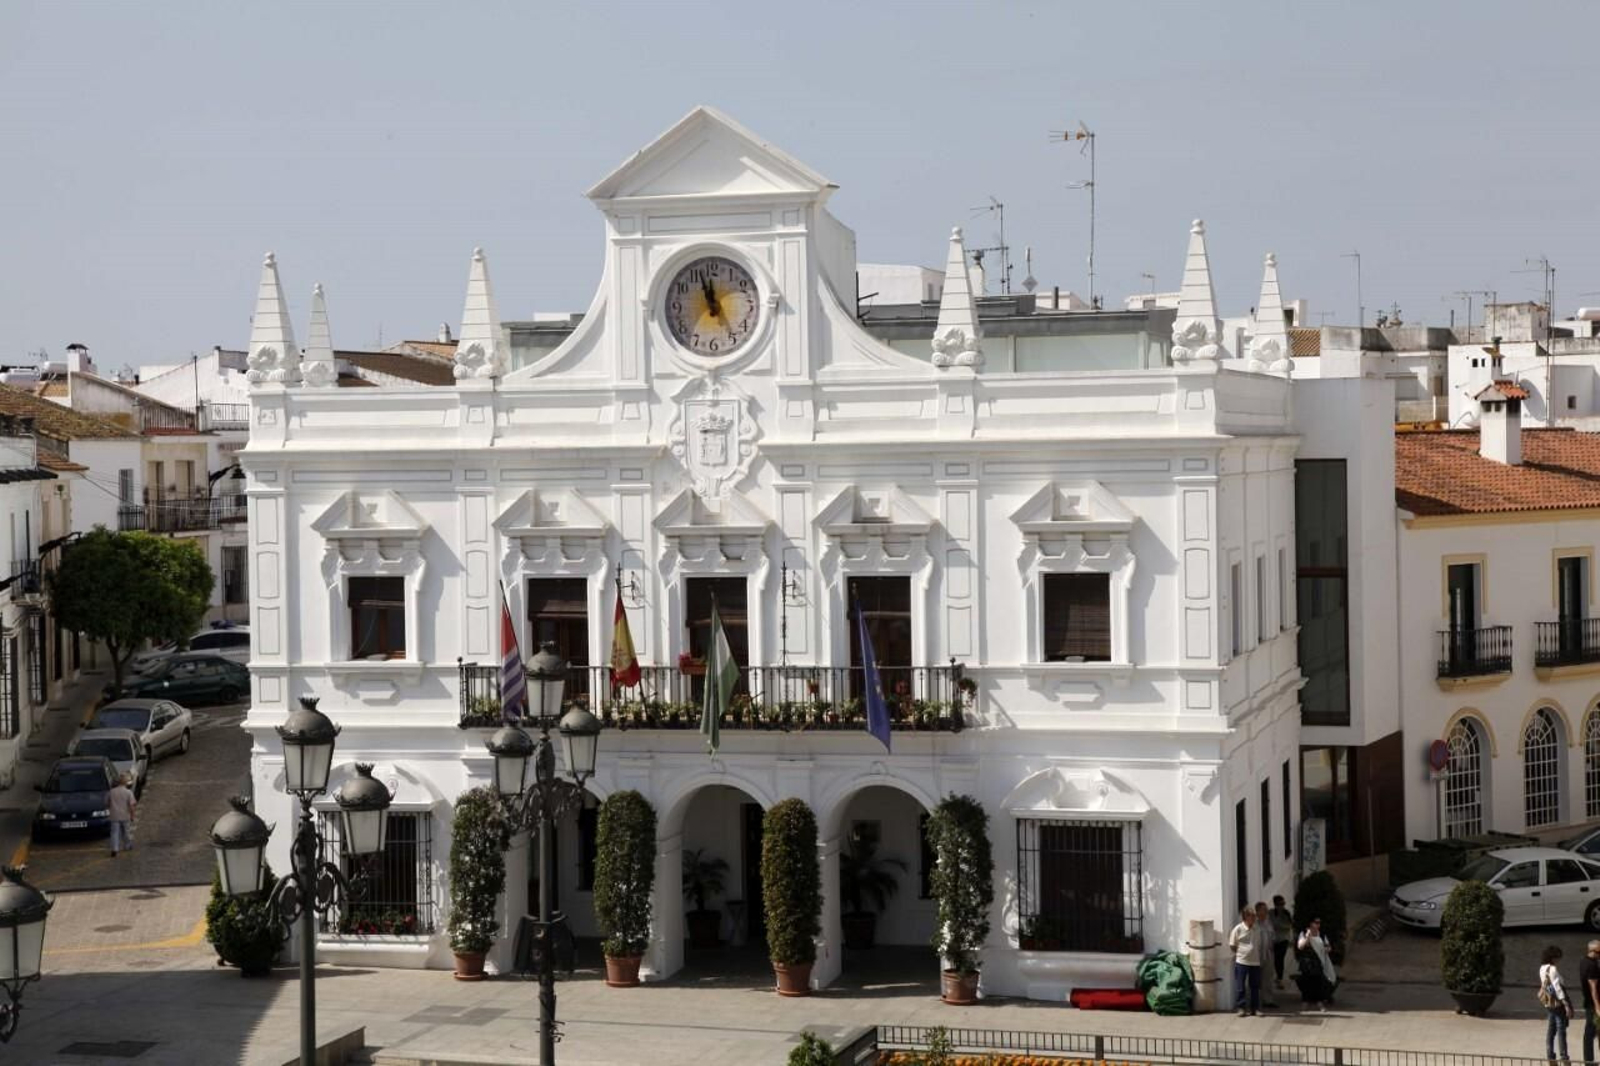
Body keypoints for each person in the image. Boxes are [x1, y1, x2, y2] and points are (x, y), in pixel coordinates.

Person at [1227, 905, 1264, 1017]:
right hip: (1242, 962)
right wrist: (1242, 953)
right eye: (1252, 916)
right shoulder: (1238, 929)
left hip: (1255, 962)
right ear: (1246, 917)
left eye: (1254, 916)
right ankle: (1241, 1007)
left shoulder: (1257, 929)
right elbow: (1233, 945)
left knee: (1255, 986)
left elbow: (1259, 943)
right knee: (1240, 986)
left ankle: (1255, 1008)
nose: (1254, 918)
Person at [1295, 917, 1338, 1011]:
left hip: (1318, 962)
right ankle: (1305, 1003)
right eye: (1316, 923)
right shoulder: (1304, 933)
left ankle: (1319, 1003)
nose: (1318, 925)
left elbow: (1328, 947)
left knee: (1318, 982)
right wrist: (1308, 937)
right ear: (1310, 924)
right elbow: (1300, 946)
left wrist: (1326, 949)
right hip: (1307, 962)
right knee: (1306, 983)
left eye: (1319, 923)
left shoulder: (1322, 935)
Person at [1542, 944, 1574, 1063]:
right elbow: (1557, 988)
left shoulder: (1542, 968)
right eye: (1558, 957)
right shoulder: (1553, 969)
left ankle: (1550, 1055)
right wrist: (1566, 1004)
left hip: (1548, 1002)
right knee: (1561, 1030)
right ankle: (1564, 1056)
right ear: (1553, 958)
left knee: (1551, 1030)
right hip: (1558, 1003)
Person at [1579, 939, 1600, 1066]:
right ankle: (1589, 1062)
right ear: (1592, 951)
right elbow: (1593, 989)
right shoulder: (1591, 966)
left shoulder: (1584, 961)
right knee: (1590, 1033)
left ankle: (1589, 1061)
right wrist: (1598, 1007)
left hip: (1589, 1003)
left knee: (1591, 1033)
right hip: (1594, 1005)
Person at [1254, 902, 1278, 1007]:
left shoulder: (1268, 922)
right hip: (1256, 955)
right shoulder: (1254, 924)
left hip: (1268, 954)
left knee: (1268, 977)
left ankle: (1268, 1000)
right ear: (1258, 911)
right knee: (1255, 978)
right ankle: (1255, 1001)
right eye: (1263, 909)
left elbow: (1272, 935)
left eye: (1266, 909)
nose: (1266, 911)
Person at [1268, 895, 1295, 989]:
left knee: (1280, 958)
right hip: (1274, 940)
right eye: (1280, 904)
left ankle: (1280, 978)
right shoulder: (1271, 913)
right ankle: (1278, 977)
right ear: (1275, 905)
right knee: (1276, 959)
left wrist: (1277, 925)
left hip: (1284, 939)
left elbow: (1289, 926)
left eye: (1283, 904)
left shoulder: (1286, 913)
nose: (1282, 906)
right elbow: (1269, 924)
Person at [107, 773, 137, 858]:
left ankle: (114, 849)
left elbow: (107, 803)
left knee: (114, 833)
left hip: (114, 816)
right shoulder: (128, 792)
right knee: (126, 832)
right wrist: (132, 815)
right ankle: (127, 845)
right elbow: (131, 805)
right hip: (125, 815)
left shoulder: (111, 792)